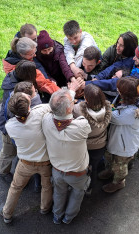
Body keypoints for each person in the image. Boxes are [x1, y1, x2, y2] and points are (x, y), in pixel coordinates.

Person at [85, 41, 139, 153]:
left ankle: (131, 155)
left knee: (138, 129)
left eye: (137, 57)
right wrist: (97, 78)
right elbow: (118, 65)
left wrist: (89, 84)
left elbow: (116, 84)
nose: (133, 58)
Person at [0, 60, 59, 183]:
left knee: (15, 150)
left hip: (12, 126)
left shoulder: (14, 82)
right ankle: (3, 171)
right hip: (10, 129)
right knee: (8, 152)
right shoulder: (20, 95)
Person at [0, 92, 53, 224]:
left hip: (25, 163)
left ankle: (7, 214)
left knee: (16, 187)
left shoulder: (10, 126)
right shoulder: (40, 112)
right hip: (45, 162)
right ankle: (45, 208)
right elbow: (52, 105)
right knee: (46, 186)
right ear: (29, 105)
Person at [42, 89, 91, 225]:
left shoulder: (46, 120)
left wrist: (71, 93)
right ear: (70, 108)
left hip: (57, 170)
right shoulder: (81, 125)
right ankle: (69, 217)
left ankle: (57, 216)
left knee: (59, 192)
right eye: (72, 102)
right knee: (77, 194)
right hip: (78, 174)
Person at [99, 77, 139, 193]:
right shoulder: (134, 97)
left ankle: (118, 182)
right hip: (117, 139)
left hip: (124, 146)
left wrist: (100, 104)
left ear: (126, 95)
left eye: (119, 89)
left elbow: (110, 117)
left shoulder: (131, 113)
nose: (117, 90)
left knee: (120, 166)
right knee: (109, 157)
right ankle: (109, 170)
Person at [73, 84, 111, 195]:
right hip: (100, 144)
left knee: (84, 168)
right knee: (94, 167)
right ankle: (90, 188)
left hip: (86, 145)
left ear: (86, 99)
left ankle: (80, 188)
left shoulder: (78, 110)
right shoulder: (108, 108)